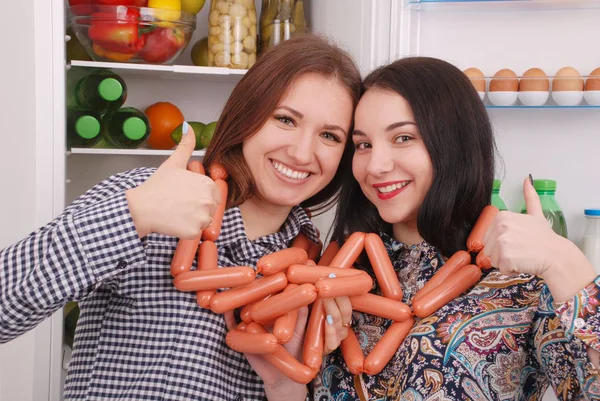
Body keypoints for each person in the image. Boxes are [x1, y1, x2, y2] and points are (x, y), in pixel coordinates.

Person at [0, 34, 361, 400]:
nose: (302, 152)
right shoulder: (145, 195)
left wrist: (287, 384)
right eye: (285, 119)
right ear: (248, 114)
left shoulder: (320, 273)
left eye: (329, 136)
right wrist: (134, 216)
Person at [254, 56, 600, 400]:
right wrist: (286, 385)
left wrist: (564, 261)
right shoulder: (335, 274)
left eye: (403, 138)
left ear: (454, 144)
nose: (376, 165)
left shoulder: (521, 278)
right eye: (363, 144)